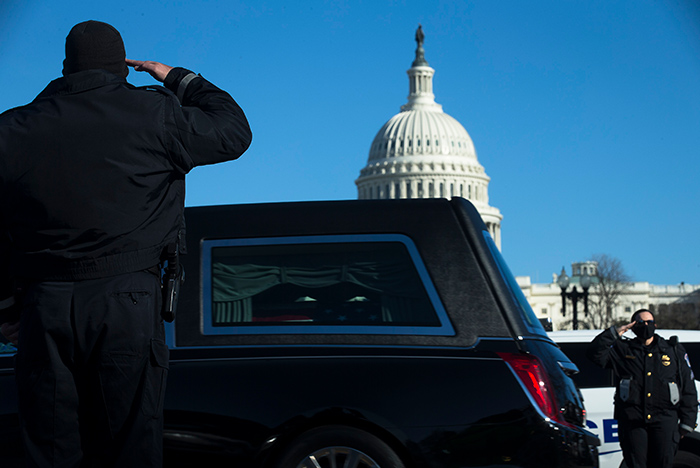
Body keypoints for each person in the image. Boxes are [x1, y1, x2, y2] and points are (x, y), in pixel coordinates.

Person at [0, 20, 252, 467]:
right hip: (126, 303)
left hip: (44, 307)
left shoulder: (13, 128)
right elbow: (233, 131)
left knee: (49, 450)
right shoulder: (155, 114)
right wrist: (178, 77)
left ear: (64, 68)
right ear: (122, 68)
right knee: (129, 446)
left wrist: (5, 309)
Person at [587, 309, 698, 468]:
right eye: (640, 323)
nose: (646, 326)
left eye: (649, 322)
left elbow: (687, 385)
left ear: (655, 325)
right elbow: (594, 354)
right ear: (633, 326)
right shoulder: (623, 350)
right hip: (633, 422)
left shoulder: (672, 350)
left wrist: (687, 422)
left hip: (665, 421)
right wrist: (615, 332)